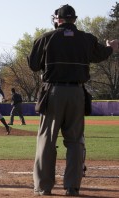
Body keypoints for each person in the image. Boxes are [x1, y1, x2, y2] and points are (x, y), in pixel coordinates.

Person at [28, 4, 118, 196]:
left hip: (53, 92)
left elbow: (33, 65)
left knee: (47, 139)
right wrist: (111, 48)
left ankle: (44, 187)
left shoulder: (46, 38)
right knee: (76, 141)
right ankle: (72, 186)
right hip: (77, 93)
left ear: (57, 20)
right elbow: (101, 54)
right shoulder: (86, 39)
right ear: (74, 20)